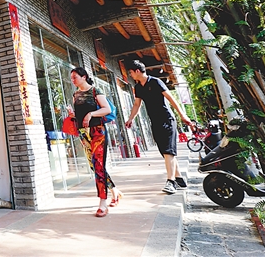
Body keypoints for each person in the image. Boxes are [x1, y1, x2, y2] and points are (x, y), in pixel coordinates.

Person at [124, 60, 194, 194]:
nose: (130, 75)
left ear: (137, 71)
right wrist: (131, 118)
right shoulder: (138, 87)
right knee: (165, 152)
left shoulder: (156, 82)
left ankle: (171, 182)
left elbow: (171, 99)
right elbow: (137, 104)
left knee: (168, 151)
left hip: (167, 119)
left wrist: (183, 115)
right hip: (155, 122)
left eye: (131, 72)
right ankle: (179, 178)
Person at [69, 66, 122, 217]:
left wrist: (91, 114)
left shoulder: (95, 91)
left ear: (84, 77)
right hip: (83, 133)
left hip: (98, 131)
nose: (73, 80)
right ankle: (115, 191)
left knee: (99, 165)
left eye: (75, 77)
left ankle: (103, 203)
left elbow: (107, 109)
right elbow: (78, 115)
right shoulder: (75, 94)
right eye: (71, 78)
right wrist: (72, 115)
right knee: (94, 166)